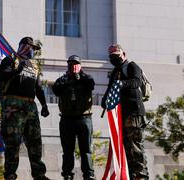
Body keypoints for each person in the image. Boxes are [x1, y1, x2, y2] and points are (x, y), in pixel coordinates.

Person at [0, 37, 50, 180]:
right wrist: (16, 71)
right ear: (23, 46)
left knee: (35, 141)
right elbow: (2, 76)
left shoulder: (34, 65)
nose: (32, 50)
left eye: (34, 49)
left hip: (30, 106)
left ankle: (39, 174)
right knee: (13, 141)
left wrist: (44, 104)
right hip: (13, 105)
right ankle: (10, 174)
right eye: (30, 47)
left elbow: (38, 87)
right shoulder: (10, 60)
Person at [101, 44, 149, 180]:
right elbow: (110, 89)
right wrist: (105, 100)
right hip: (121, 116)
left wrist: (122, 84)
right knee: (127, 151)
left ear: (123, 54)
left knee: (136, 150)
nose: (114, 59)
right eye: (111, 57)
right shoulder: (115, 72)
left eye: (116, 56)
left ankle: (142, 177)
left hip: (134, 114)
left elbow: (136, 82)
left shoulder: (132, 66)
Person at [52, 55, 95, 180]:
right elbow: (56, 90)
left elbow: (91, 85)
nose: (73, 66)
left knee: (86, 149)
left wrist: (79, 77)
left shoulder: (86, 77)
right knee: (67, 150)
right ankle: (67, 174)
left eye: (76, 64)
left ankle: (88, 175)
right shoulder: (62, 79)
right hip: (67, 119)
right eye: (71, 64)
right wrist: (69, 80)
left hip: (84, 119)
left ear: (80, 66)